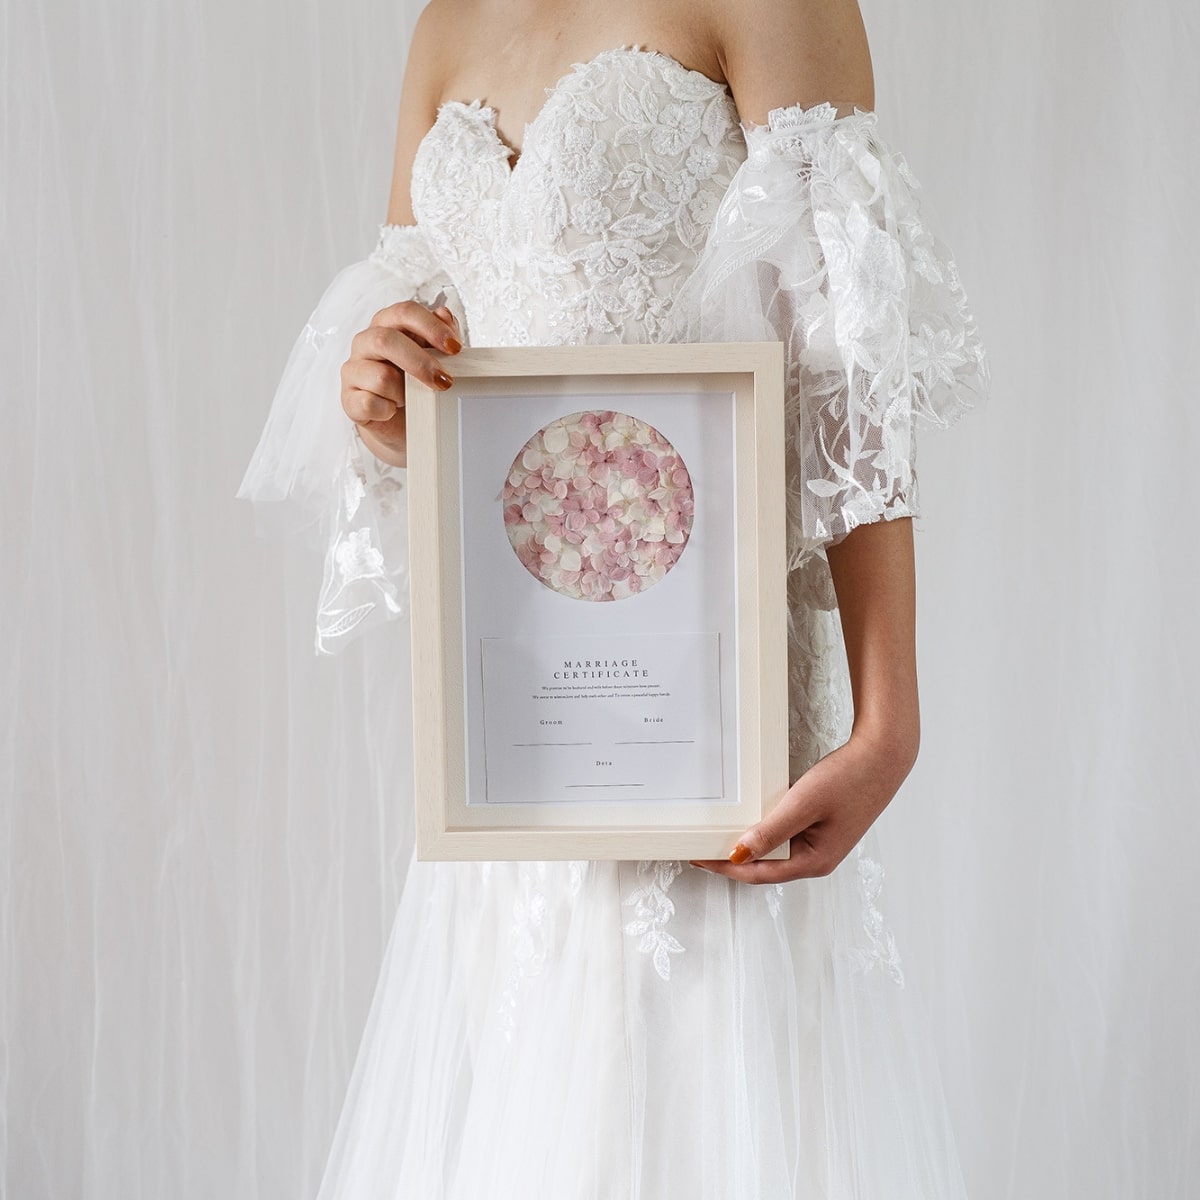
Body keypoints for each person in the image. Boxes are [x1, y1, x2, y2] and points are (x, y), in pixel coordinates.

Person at [238, 0, 989, 1194]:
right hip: (521, 733)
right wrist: (389, 403)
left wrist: (887, 720)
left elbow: (849, 346)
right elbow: (445, 368)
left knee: (691, 1079)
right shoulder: (447, 25)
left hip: (705, 707)